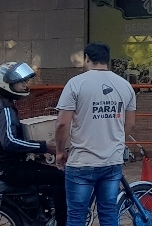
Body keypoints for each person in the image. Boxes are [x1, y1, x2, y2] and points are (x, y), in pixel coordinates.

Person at [55, 43, 136, 226]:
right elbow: (130, 123)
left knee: (76, 216)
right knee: (108, 214)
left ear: (86, 58)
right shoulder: (125, 85)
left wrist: (60, 151)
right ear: (108, 60)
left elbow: (62, 123)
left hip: (82, 162)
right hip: (112, 162)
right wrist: (116, 144)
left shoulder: (75, 84)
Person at [0, 61, 65, 224]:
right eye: (20, 82)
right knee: (60, 177)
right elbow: (9, 142)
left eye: (25, 81)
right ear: (6, 84)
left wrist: (35, 149)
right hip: (10, 169)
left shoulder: (3, 105)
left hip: (6, 166)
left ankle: (38, 214)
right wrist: (44, 146)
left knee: (44, 176)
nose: (24, 85)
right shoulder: (5, 109)